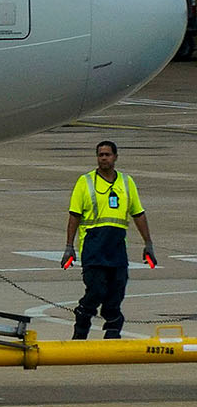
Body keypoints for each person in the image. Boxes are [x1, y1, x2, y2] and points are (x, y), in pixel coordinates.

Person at [65, 141, 157, 339]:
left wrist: (148, 244)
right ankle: (82, 322)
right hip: (93, 246)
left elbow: (138, 214)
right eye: (100, 155)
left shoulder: (126, 182)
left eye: (107, 154)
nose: (104, 158)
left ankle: (113, 331)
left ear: (116, 157)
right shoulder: (85, 181)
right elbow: (74, 215)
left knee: (116, 293)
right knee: (96, 290)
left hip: (116, 248)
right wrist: (69, 247)